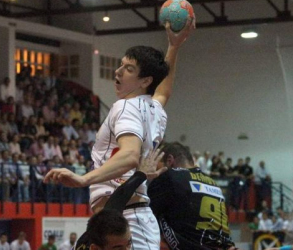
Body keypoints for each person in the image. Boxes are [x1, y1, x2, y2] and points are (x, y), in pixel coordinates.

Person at [45, 17, 195, 250]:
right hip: (131, 218)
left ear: (145, 80)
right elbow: (164, 89)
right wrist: (174, 47)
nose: (118, 71)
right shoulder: (154, 107)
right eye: (122, 64)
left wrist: (83, 179)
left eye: (128, 68)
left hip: (128, 221)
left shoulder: (126, 106)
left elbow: (130, 155)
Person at [147, 142, 235, 250]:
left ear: (169, 161)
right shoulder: (214, 184)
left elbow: (144, 212)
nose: (157, 172)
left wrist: (144, 176)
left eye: (158, 167)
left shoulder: (170, 177)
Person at [74, 148, 166, 250]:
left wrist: (141, 175)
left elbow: (111, 210)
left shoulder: (90, 239)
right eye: (118, 249)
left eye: (129, 244)